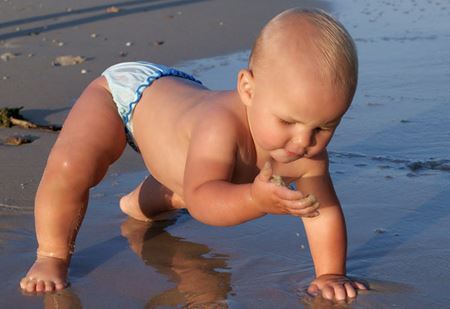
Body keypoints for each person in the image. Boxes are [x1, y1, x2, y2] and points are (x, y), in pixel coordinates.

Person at [20, 8, 368, 301]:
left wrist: (331, 273)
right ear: (248, 89)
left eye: (323, 127)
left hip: (177, 136)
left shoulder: (307, 156)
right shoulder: (220, 126)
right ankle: (51, 254)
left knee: (191, 180)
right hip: (126, 97)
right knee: (72, 166)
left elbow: (322, 213)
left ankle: (136, 205)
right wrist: (254, 199)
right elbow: (203, 203)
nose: (303, 141)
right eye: (288, 121)